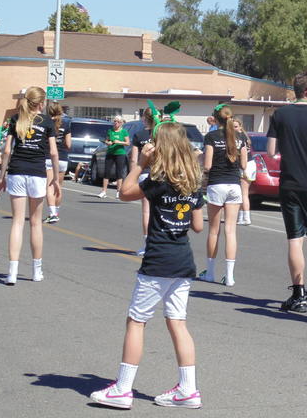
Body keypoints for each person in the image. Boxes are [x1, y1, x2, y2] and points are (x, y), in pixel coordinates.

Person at [89, 121, 204, 409]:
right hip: (183, 261)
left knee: (137, 321)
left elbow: (124, 192)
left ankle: (123, 389)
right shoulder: (193, 181)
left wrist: (140, 164)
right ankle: (188, 389)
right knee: (178, 322)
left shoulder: (157, 180)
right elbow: (199, 226)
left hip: (157, 261)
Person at [267, 71, 307, 313]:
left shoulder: (280, 114)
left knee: (294, 237)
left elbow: (272, 151)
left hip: (290, 182)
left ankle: (298, 292)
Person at [0, 86, 60, 285]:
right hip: (37, 174)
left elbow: (7, 151)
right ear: (41, 103)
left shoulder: (16, 119)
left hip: (16, 170)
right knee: (35, 223)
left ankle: (12, 271)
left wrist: (2, 176)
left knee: (16, 222)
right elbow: (54, 152)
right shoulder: (47, 122)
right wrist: (56, 178)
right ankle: (36, 270)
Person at [198, 104, 247, 287]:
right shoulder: (240, 136)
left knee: (213, 230)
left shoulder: (211, 136)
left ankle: (210, 272)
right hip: (234, 185)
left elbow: (208, 165)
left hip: (217, 184)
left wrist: (200, 159)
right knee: (231, 231)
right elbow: (243, 164)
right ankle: (230, 276)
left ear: (215, 118)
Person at [130, 108, 155, 256]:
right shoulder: (162, 134)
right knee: (159, 211)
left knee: (146, 211)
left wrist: (132, 177)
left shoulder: (139, 135)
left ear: (145, 119)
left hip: (145, 174)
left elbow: (134, 159)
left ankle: (147, 245)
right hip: (161, 175)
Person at [43, 102, 71, 223]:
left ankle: (52, 213)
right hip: (62, 158)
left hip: (49, 157)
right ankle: (56, 211)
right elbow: (69, 145)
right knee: (59, 186)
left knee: (50, 186)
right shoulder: (66, 124)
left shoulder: (46, 123)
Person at [98, 115, 130, 199]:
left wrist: (119, 142)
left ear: (121, 123)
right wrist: (107, 142)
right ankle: (103, 191)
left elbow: (127, 143)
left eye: (118, 122)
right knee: (106, 172)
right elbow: (107, 140)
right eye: (115, 121)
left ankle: (118, 192)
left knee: (119, 172)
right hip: (110, 152)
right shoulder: (110, 131)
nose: (115, 123)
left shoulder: (124, 132)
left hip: (120, 153)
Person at [233, 118, 253, 226]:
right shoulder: (243, 136)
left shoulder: (241, 137)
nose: (234, 129)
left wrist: (244, 169)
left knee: (244, 194)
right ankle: (241, 217)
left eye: (236, 126)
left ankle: (246, 218)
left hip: (246, 165)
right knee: (242, 194)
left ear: (240, 126)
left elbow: (243, 156)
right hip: (248, 164)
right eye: (232, 127)